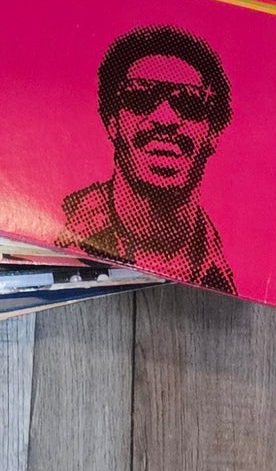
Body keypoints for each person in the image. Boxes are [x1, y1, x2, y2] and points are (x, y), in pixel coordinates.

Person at [61, 25, 236, 293]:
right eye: (140, 97)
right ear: (112, 122)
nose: (165, 119)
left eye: (189, 102)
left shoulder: (221, 273)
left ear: (213, 133)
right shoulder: (60, 235)